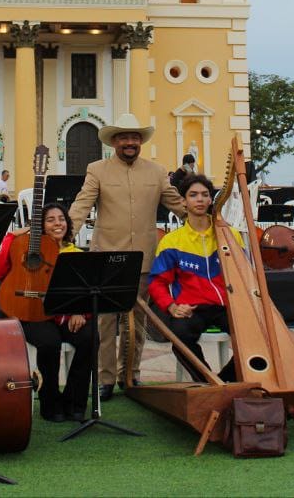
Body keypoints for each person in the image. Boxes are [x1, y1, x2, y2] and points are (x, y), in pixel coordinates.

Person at [68, 113, 186, 400]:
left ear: (140, 141)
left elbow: (177, 204)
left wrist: (206, 217)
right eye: (124, 137)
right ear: (114, 142)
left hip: (143, 258)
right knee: (106, 321)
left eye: (134, 137)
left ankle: (130, 375)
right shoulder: (97, 169)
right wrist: (64, 233)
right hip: (106, 257)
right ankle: (105, 379)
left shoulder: (157, 172)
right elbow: (82, 204)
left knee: (137, 321)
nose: (130, 142)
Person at [0, 201, 95, 421]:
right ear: (40, 226)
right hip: (32, 311)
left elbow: (87, 292)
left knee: (90, 338)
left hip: (65, 315)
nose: (58, 224)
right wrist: (11, 237)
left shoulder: (75, 253)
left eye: (61, 219)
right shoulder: (26, 248)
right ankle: (50, 402)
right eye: (50, 220)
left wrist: (79, 311)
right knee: (49, 343)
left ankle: (75, 401)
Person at [148, 174, 239, 382]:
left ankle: (224, 382)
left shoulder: (229, 235)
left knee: (257, 336)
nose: (199, 199)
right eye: (193, 195)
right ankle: (208, 383)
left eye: (205, 195)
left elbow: (245, 274)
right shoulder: (172, 241)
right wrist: (172, 307)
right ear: (183, 202)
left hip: (227, 306)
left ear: (210, 201)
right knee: (180, 339)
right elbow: (157, 283)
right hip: (191, 309)